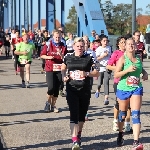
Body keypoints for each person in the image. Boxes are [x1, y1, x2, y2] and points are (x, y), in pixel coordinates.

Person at [61, 37, 99, 150]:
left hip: (85, 89)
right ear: (73, 46)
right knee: (74, 113)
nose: (80, 48)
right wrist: (64, 76)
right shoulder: (68, 56)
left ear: (84, 47)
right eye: (77, 46)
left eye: (82, 46)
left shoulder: (89, 57)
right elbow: (63, 68)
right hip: (71, 88)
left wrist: (86, 73)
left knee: (81, 115)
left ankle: (78, 134)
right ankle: (75, 141)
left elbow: (96, 73)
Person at [114, 38, 148, 149]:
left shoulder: (138, 58)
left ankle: (136, 141)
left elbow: (140, 69)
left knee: (135, 114)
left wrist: (145, 73)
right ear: (126, 46)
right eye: (129, 44)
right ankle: (120, 134)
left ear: (135, 46)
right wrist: (127, 70)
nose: (131, 46)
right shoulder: (122, 59)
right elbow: (116, 74)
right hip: (123, 89)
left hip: (136, 88)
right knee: (122, 114)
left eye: (133, 44)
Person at [106, 36, 132, 132]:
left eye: (125, 42)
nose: (124, 43)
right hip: (119, 82)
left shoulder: (130, 54)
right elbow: (108, 66)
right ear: (118, 44)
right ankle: (115, 121)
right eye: (122, 42)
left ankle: (127, 124)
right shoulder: (116, 53)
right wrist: (118, 68)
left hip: (129, 82)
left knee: (129, 104)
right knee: (119, 103)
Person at [40, 29, 67, 113]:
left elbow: (65, 58)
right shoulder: (48, 45)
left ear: (61, 37)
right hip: (50, 68)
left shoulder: (63, 46)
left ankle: (53, 105)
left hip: (59, 68)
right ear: (53, 37)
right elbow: (42, 55)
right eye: (56, 37)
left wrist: (61, 54)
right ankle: (48, 103)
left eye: (59, 37)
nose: (57, 39)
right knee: (51, 88)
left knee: (57, 89)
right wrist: (49, 57)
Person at [95, 36, 112, 105]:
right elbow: (96, 59)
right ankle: (98, 89)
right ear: (101, 42)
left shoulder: (109, 48)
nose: (105, 42)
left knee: (106, 82)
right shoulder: (98, 49)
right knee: (99, 83)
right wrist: (103, 56)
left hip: (107, 67)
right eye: (104, 41)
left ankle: (106, 98)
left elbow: (111, 57)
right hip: (100, 67)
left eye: (106, 41)